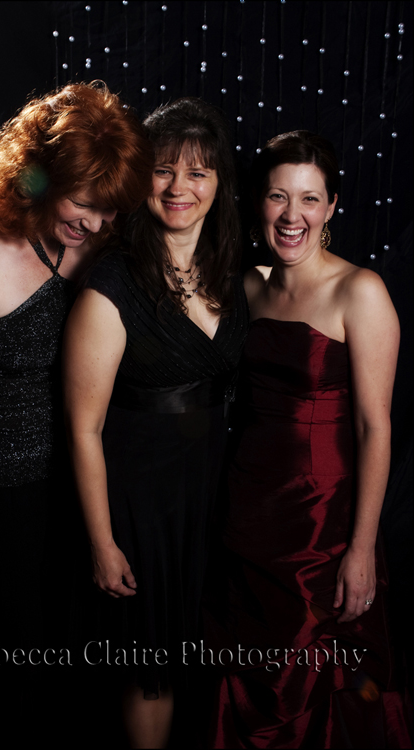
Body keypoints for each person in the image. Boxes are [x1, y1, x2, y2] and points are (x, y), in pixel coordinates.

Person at [0, 81, 153, 728]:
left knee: (71, 660)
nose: (96, 224)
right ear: (38, 174)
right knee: (10, 663)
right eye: (85, 204)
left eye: (109, 210)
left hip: (70, 480)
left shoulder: (97, 239)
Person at [205, 130, 411, 748]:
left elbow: (375, 428)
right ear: (258, 203)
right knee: (245, 675)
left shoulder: (360, 291)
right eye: (278, 197)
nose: (292, 215)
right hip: (246, 513)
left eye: (310, 199)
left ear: (331, 206)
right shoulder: (250, 285)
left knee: (313, 683)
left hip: (322, 525)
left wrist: (361, 549)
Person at [63, 97, 248, 748]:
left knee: (200, 656)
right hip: (140, 506)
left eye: (198, 172)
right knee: (151, 669)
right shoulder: (111, 284)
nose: (179, 188)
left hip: (210, 498)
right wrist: (102, 541)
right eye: (163, 170)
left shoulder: (230, 270)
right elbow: (82, 429)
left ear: (219, 184)